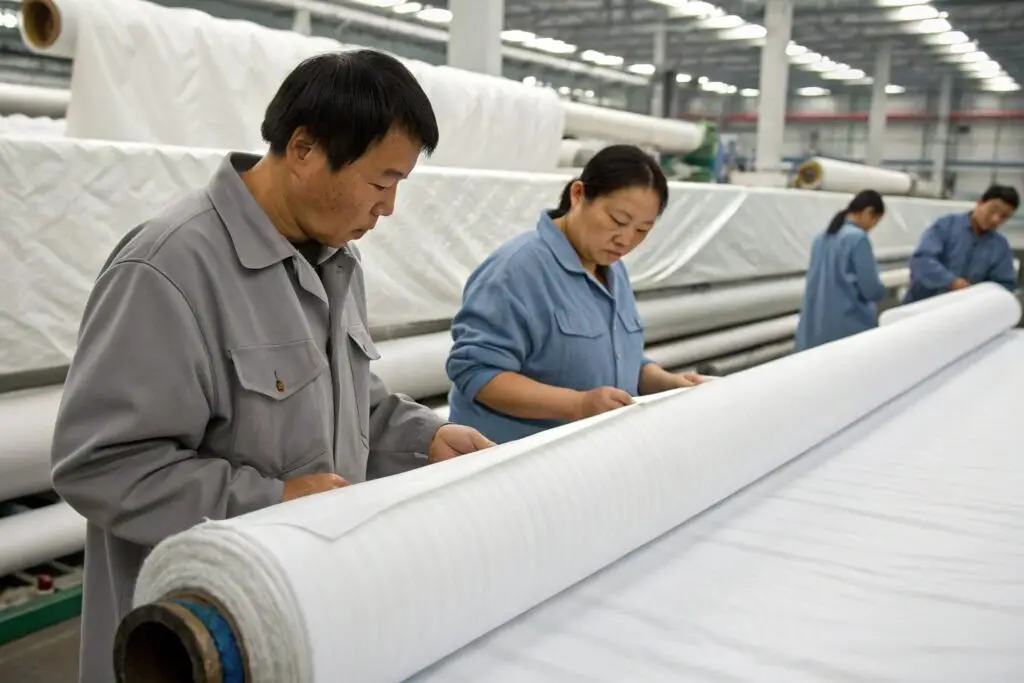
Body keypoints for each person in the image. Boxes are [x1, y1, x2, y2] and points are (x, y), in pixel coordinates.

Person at [50, 50, 493, 683]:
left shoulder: (333, 259)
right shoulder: (169, 269)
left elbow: (349, 400)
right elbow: (100, 465)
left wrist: (425, 438)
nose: (388, 208)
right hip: (195, 635)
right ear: (306, 149)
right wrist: (274, 500)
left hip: (300, 605)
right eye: (380, 182)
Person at [445, 145, 703, 445]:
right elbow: (478, 373)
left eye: (642, 230)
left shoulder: (611, 269)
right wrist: (578, 405)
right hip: (512, 461)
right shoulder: (515, 270)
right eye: (618, 221)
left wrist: (666, 382)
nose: (626, 240)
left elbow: (616, 355)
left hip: (586, 456)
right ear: (578, 195)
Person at [795, 190, 888, 351]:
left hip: (815, 327)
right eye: (875, 222)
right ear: (868, 213)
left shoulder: (821, 237)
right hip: (847, 326)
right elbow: (870, 288)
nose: (872, 228)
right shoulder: (858, 238)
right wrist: (882, 292)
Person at [903, 184, 1019, 303]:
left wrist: (979, 294)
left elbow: (1005, 285)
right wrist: (951, 282)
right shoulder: (946, 226)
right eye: (992, 210)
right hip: (922, 308)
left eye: (1004, 217)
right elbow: (922, 260)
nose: (995, 219)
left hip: (964, 313)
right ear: (980, 203)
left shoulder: (1000, 247)